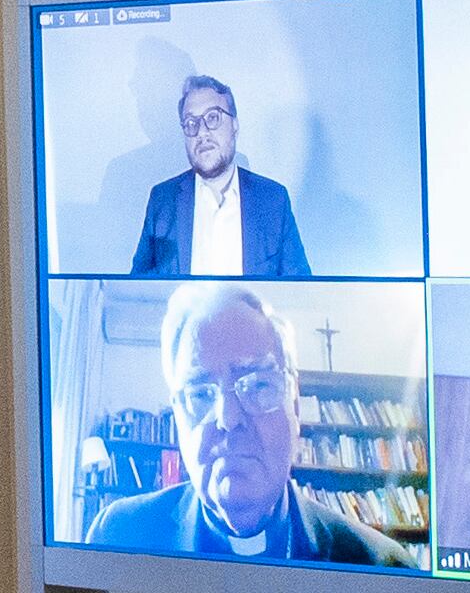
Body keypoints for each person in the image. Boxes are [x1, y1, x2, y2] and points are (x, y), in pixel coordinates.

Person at [86, 282, 414, 567]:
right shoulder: (117, 536)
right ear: (177, 415)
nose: (228, 419)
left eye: (258, 386)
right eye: (201, 394)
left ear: (295, 405)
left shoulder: (382, 563)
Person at [129, 75, 311, 279]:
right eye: (191, 122)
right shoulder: (163, 201)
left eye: (213, 117)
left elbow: (299, 288)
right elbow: (138, 288)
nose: (202, 132)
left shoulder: (272, 200)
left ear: (234, 125)